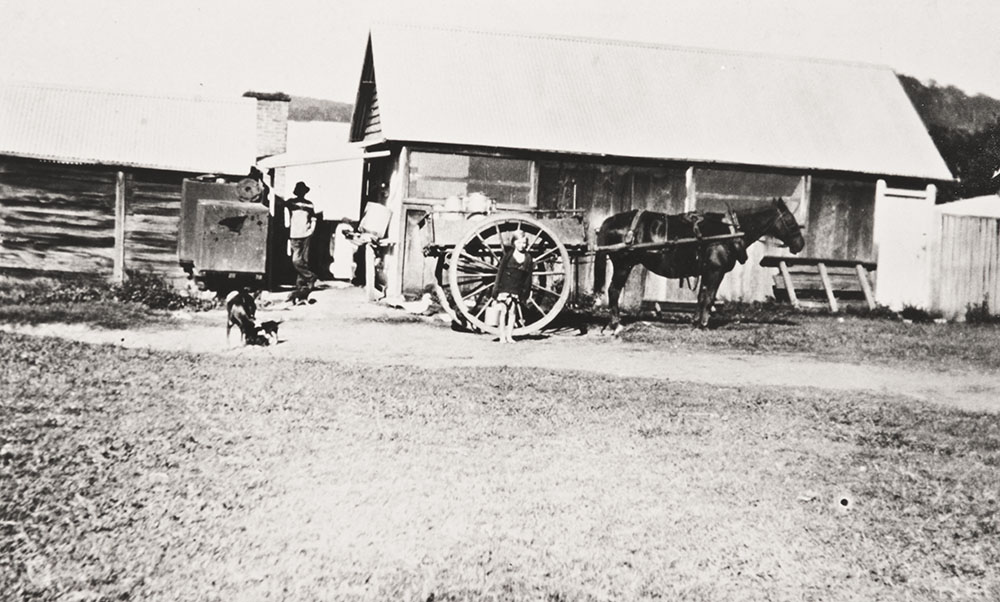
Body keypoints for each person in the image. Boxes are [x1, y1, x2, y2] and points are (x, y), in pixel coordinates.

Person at [491, 231, 534, 343]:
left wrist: (526, 292)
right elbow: (500, 273)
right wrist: (496, 290)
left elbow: (528, 277)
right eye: (519, 242)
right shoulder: (508, 255)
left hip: (516, 287)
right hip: (505, 286)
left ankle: (509, 336)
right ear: (514, 243)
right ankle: (502, 336)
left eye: (524, 243)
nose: (522, 245)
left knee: (512, 312)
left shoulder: (528, 258)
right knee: (503, 311)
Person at [286, 181, 321, 290]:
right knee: (296, 260)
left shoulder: (309, 204)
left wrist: (312, 230)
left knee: (304, 260)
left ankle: (301, 284)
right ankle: (310, 277)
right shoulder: (291, 202)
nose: (301, 193)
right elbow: (278, 204)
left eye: (302, 191)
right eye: (299, 190)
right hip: (294, 234)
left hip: (305, 234)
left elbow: (313, 218)